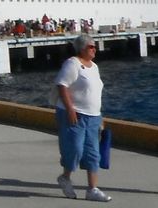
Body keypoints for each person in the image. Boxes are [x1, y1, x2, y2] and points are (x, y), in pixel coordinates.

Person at [55, 34, 110, 202]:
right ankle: (65, 177)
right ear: (82, 48)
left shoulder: (94, 67)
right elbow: (62, 85)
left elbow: (94, 92)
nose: (95, 49)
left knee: (93, 153)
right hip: (75, 114)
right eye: (91, 47)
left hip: (93, 116)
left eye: (95, 46)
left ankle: (92, 189)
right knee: (75, 149)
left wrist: (100, 116)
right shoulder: (73, 64)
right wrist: (70, 109)